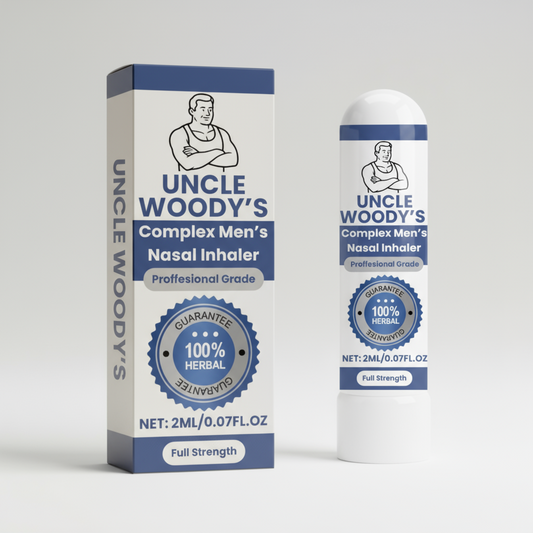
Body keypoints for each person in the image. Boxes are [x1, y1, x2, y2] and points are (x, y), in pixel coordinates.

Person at [169, 93, 239, 171]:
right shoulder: (180, 134)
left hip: (218, 179)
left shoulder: (222, 133)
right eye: (203, 109)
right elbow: (188, 164)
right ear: (192, 111)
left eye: (210, 109)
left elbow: (233, 160)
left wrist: (198, 154)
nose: (207, 114)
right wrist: (217, 152)